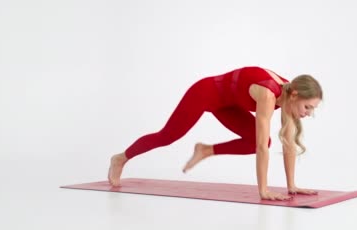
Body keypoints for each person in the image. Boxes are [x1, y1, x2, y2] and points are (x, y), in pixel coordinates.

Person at [107, 66, 323, 201]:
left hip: (228, 104)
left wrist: (291, 186)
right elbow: (260, 147)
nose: (309, 113)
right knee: (167, 136)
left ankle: (206, 150)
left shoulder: (288, 97)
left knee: (262, 141)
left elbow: (287, 142)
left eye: (312, 109)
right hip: (205, 93)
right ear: (295, 95)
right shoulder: (269, 94)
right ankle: (120, 158)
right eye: (308, 107)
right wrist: (263, 190)